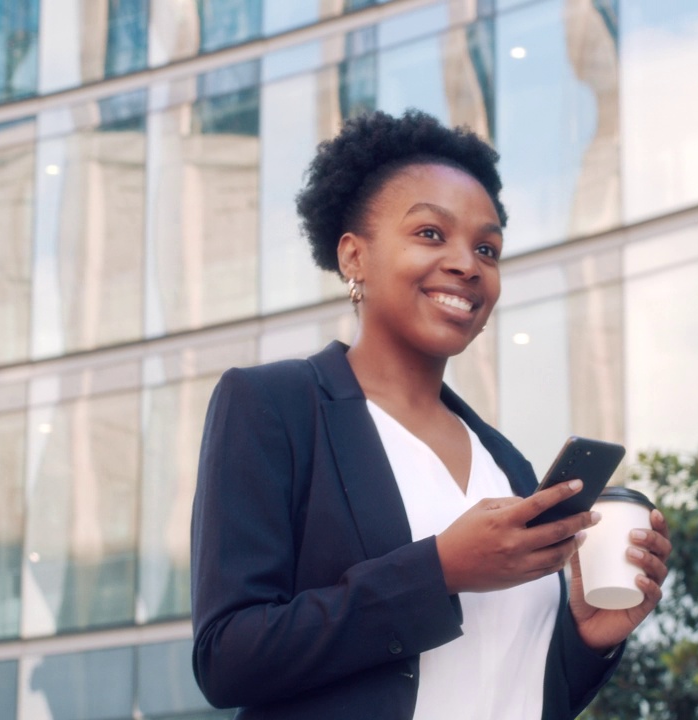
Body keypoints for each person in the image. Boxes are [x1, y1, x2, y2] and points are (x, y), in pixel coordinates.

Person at [190, 110, 671, 719]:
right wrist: (438, 569)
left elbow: (511, 688)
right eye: (430, 234)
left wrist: (588, 639)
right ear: (353, 256)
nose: (467, 264)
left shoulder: (507, 465)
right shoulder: (276, 407)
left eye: (487, 248)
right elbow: (226, 658)